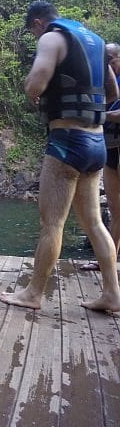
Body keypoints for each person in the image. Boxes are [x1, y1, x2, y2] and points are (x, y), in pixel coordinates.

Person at [0, 1, 120, 312]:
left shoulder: (51, 38)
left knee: (52, 223)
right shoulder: (94, 41)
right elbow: (112, 95)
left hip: (67, 143)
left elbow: (36, 82)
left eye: (32, 31)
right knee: (94, 221)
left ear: (38, 23)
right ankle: (112, 293)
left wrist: (33, 90)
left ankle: (33, 294)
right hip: (97, 145)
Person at [83, 43, 120, 271]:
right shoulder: (105, 82)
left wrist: (100, 116)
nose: (107, 65)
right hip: (110, 149)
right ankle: (109, 260)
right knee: (115, 211)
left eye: (110, 60)